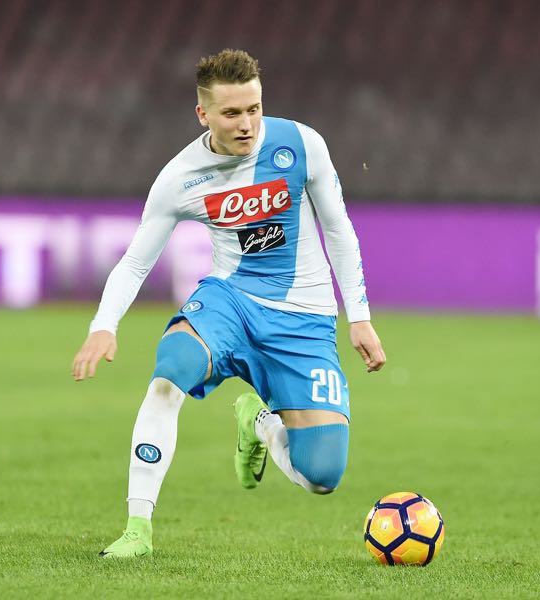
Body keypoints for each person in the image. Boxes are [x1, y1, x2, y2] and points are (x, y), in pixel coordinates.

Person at [71, 49, 386, 558]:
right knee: (170, 370)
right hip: (231, 302)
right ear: (204, 114)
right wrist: (104, 325)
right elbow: (134, 262)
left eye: (254, 109)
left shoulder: (302, 144)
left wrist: (360, 318)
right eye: (232, 113)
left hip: (305, 319)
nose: (247, 124)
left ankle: (257, 421)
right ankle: (137, 528)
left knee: (321, 477)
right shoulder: (180, 178)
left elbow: (339, 230)